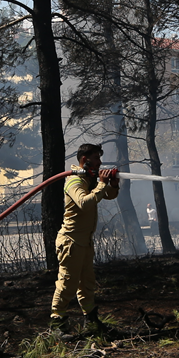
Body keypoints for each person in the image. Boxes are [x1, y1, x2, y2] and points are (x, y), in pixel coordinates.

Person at [49, 143, 120, 338]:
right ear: (84, 159)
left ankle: (91, 320)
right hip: (70, 241)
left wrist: (113, 184)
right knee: (67, 283)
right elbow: (84, 203)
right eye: (96, 158)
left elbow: (108, 195)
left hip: (85, 241)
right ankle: (57, 324)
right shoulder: (74, 182)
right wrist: (102, 184)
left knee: (87, 283)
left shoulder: (89, 179)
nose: (100, 162)